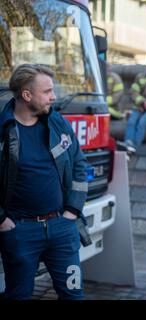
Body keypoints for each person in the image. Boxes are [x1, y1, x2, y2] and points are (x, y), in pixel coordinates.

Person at [0, 64, 88, 300]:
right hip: (20, 232)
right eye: (47, 91)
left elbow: (79, 164)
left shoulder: (57, 123)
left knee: (74, 295)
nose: (54, 96)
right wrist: (2, 220)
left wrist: (72, 211)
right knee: (18, 296)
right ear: (27, 95)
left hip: (62, 228)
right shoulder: (2, 129)